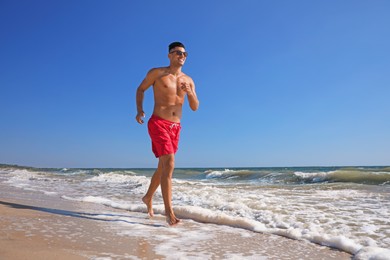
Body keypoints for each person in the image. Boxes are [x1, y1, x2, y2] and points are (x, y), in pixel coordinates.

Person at [135, 42, 199, 225]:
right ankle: (169, 213)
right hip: (158, 122)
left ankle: (148, 197)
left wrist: (191, 93)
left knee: (163, 166)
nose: (182, 56)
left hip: (175, 127)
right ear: (169, 55)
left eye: (185, 53)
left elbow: (194, 107)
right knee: (170, 162)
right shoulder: (157, 73)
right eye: (178, 53)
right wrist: (139, 110)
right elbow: (140, 89)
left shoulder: (189, 80)